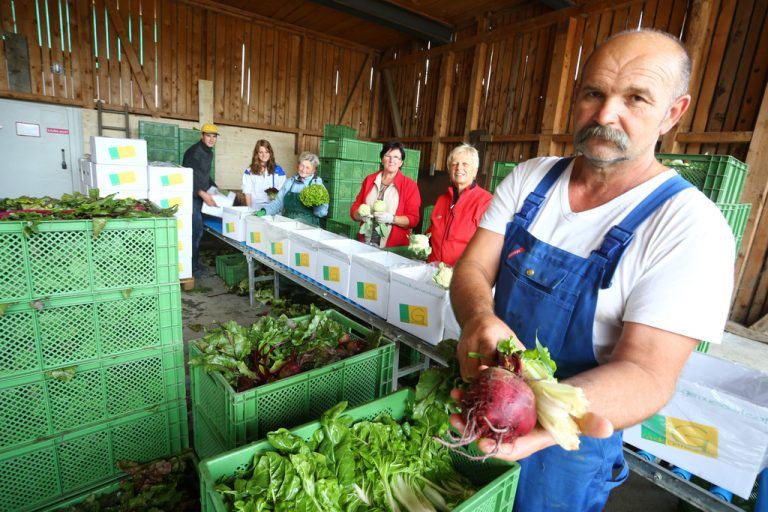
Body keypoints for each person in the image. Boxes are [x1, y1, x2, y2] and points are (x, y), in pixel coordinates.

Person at [449, 29, 734, 512]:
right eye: (594, 93)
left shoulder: (691, 227)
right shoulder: (530, 178)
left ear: (673, 112)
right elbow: (473, 266)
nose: (606, 115)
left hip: (570, 439)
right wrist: (479, 317)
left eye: (636, 98)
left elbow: (648, 372)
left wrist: (547, 403)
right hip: (487, 406)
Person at [425, 144, 492, 266]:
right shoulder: (442, 200)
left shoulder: (485, 201)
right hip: (433, 270)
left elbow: (489, 247)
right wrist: (421, 241)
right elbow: (431, 232)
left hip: (460, 274)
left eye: (465, 164)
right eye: (454, 164)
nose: (458, 168)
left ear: (475, 171)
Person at [350, 141, 421, 247]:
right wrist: (360, 215)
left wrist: (391, 219)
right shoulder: (370, 180)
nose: (392, 160)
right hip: (366, 242)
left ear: (401, 162)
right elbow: (355, 208)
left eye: (396, 157)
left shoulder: (410, 186)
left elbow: (413, 220)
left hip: (392, 248)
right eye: (388, 155)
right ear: (382, 159)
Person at [183, 122, 219, 276]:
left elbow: (203, 174)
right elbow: (188, 175)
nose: (211, 139)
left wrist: (215, 188)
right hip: (191, 196)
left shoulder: (208, 152)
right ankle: (191, 268)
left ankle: (193, 264)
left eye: (214, 136)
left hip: (199, 196)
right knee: (195, 232)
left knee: (198, 231)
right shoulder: (194, 152)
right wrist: (203, 193)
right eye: (208, 135)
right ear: (202, 136)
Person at [257, 151, 328, 226]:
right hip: (287, 225)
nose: (304, 170)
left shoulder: (317, 186)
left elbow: (322, 213)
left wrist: (318, 206)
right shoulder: (289, 183)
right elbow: (278, 203)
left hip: (308, 228)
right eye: (302, 166)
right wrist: (265, 211)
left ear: (313, 170)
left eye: (308, 167)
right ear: (298, 165)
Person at [241, 139, 286, 210]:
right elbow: (247, 191)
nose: (264, 155)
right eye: (261, 152)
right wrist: (249, 210)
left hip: (273, 207)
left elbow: (282, 190)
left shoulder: (279, 170)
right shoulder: (249, 170)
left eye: (267, 152)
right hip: (255, 207)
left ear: (270, 153)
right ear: (257, 154)